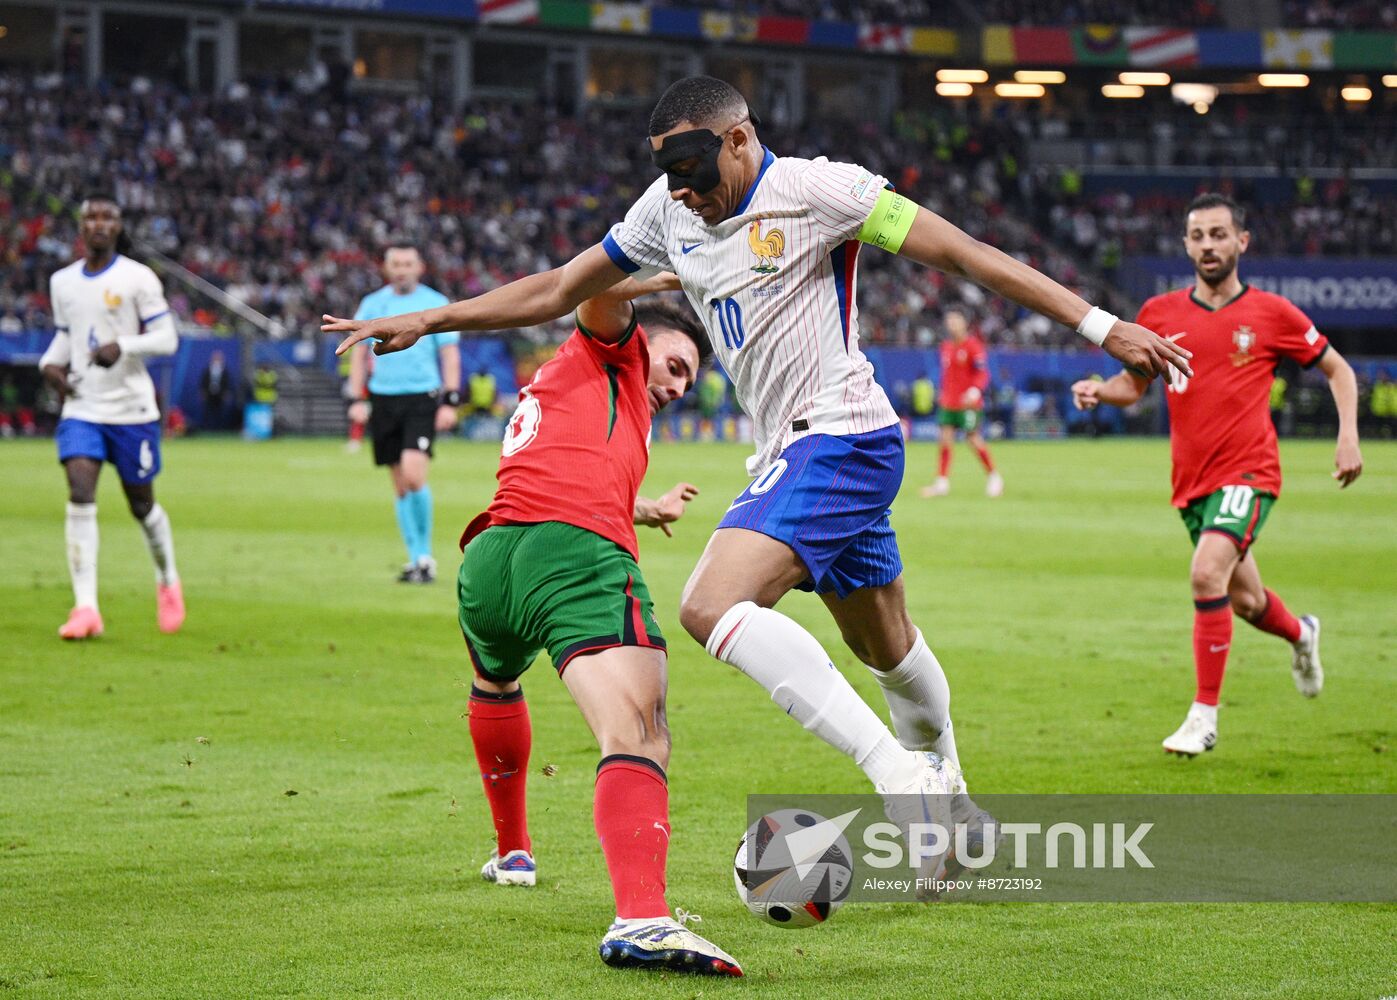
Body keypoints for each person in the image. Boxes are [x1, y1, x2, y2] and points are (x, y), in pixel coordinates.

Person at [324, 76, 1191, 883]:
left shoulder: (822, 191)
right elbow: (560, 286)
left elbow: (961, 254)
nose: (681, 190)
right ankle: (953, 799)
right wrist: (433, 318)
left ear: (739, 139)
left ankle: (899, 777)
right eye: (665, 172)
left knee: (708, 606)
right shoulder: (665, 212)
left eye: (693, 169)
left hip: (839, 435)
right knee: (884, 644)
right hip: (797, 446)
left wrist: (1100, 323)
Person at [460, 275, 739, 974]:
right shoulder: (610, 341)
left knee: (495, 686)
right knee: (639, 731)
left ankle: (513, 851)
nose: (677, 386)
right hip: (572, 556)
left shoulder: (577, 382)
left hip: (491, 557)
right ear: (640, 336)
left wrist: (645, 508)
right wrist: (657, 265)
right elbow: (596, 287)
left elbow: (571, 463)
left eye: (688, 381)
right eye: (674, 365)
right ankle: (642, 918)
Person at [1072, 193, 1362, 756]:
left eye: (1219, 234)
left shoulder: (1273, 314)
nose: (1208, 245)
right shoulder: (1157, 315)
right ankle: (1302, 634)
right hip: (1193, 484)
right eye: (1198, 236)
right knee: (1247, 601)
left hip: (1250, 472)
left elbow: (1338, 369)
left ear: (1241, 242)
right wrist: (1100, 392)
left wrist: (1347, 434)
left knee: (1207, 574)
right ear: (1186, 245)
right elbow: (1134, 388)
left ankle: (1203, 717)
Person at [39, 193, 185, 639]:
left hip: (131, 409)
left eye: (109, 218)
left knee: (140, 503)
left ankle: (167, 578)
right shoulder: (62, 282)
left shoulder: (137, 278)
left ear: (119, 227)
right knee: (80, 489)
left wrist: (125, 345)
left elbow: (167, 339)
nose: (100, 224)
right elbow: (68, 337)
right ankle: (86, 608)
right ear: (81, 227)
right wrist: (50, 364)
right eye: (91, 218)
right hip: (83, 405)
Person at [344, 245, 461, 583]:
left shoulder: (435, 302)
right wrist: (355, 396)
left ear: (419, 266)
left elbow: (450, 353)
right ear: (386, 267)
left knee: (413, 474)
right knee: (398, 484)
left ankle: (425, 555)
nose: (401, 269)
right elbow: (356, 355)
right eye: (395, 264)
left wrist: (451, 400)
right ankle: (416, 561)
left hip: (421, 397)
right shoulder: (372, 304)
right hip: (383, 398)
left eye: (407, 263)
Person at [921, 308, 1002, 498]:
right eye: (949, 321)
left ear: (964, 323)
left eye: (955, 320)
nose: (952, 325)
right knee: (945, 440)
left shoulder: (973, 346)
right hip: (948, 402)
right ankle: (941, 482)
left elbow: (982, 373)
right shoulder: (946, 347)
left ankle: (994, 476)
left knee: (973, 438)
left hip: (968, 404)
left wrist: (974, 391)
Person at [200, 349, 231, 431]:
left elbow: (227, 382)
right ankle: (207, 428)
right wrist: (203, 392)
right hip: (209, 393)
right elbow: (204, 381)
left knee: (219, 411)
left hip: (220, 393)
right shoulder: (207, 369)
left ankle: (219, 428)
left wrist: (226, 393)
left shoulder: (224, 371)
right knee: (208, 411)